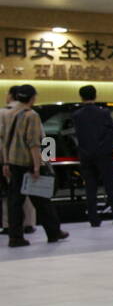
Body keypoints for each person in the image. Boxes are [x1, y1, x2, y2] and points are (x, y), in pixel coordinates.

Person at [2, 85, 69, 247]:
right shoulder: (31, 115)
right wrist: (38, 166)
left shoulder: (10, 113)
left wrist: (5, 162)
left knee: (15, 202)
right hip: (28, 164)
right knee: (42, 200)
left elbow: (4, 140)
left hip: (13, 163)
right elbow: (34, 143)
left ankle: (15, 237)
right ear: (32, 98)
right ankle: (53, 232)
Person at [73, 85, 113, 228]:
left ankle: (94, 219)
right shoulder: (103, 113)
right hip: (104, 155)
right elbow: (112, 132)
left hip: (85, 156)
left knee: (90, 188)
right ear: (95, 96)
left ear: (81, 97)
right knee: (111, 187)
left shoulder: (77, 115)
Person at [0, 85, 37, 235]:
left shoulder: (4, 112)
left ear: (12, 96)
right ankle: (29, 223)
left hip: (8, 159)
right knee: (30, 194)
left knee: (10, 195)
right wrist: (40, 162)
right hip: (27, 159)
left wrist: (5, 160)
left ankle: (9, 226)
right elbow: (38, 140)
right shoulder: (31, 114)